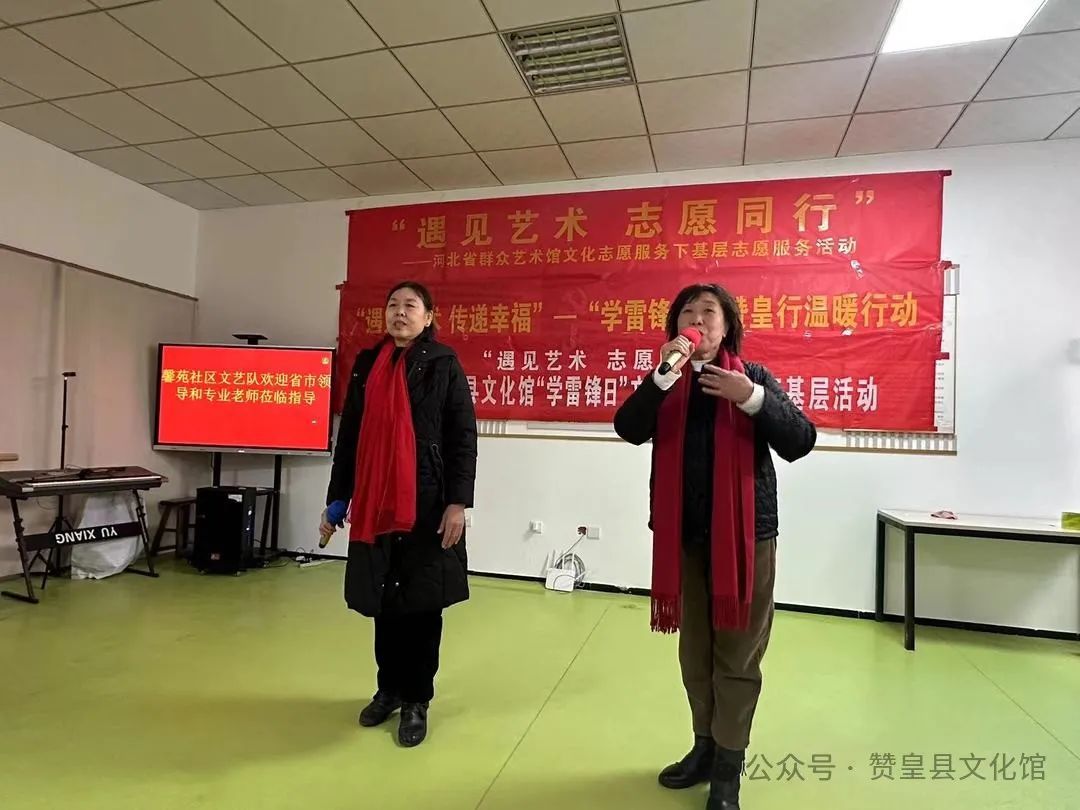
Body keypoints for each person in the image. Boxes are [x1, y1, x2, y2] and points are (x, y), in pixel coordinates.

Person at [613, 283, 816, 810]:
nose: (698, 320)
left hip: (747, 542)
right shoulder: (666, 380)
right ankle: (703, 748)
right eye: (689, 312)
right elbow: (628, 428)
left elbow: (801, 440)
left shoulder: (754, 378)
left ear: (727, 329)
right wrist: (661, 378)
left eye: (710, 313)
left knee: (738, 657)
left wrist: (750, 399)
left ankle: (728, 771)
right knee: (695, 654)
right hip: (685, 539)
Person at [320, 280, 477, 748]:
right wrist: (338, 498)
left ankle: (416, 700)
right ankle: (388, 690)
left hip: (426, 503)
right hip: (374, 500)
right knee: (383, 602)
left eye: (411, 305)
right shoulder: (369, 363)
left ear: (429, 316)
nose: (400, 312)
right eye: (392, 304)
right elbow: (351, 437)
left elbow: (462, 437)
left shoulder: (443, 363)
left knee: (422, 605)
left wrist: (457, 502)